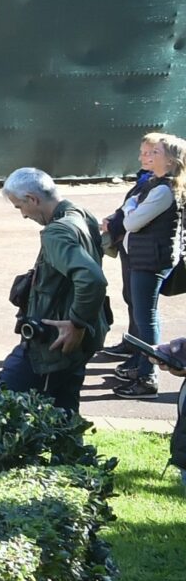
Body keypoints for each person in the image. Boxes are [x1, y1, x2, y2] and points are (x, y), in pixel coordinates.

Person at [0, 167, 110, 416]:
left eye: (20, 207)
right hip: (74, 338)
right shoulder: (81, 214)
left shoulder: (56, 232)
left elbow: (92, 279)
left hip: (54, 341)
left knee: (4, 403)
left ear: (33, 199)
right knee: (64, 411)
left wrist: (76, 323)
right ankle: (69, 454)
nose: (23, 215)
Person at [107, 134, 185, 397]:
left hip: (150, 261)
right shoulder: (155, 184)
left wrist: (129, 207)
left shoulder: (164, 189)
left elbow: (131, 222)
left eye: (155, 152)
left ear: (170, 159)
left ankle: (147, 378)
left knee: (145, 318)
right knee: (143, 315)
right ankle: (140, 367)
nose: (148, 155)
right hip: (145, 258)